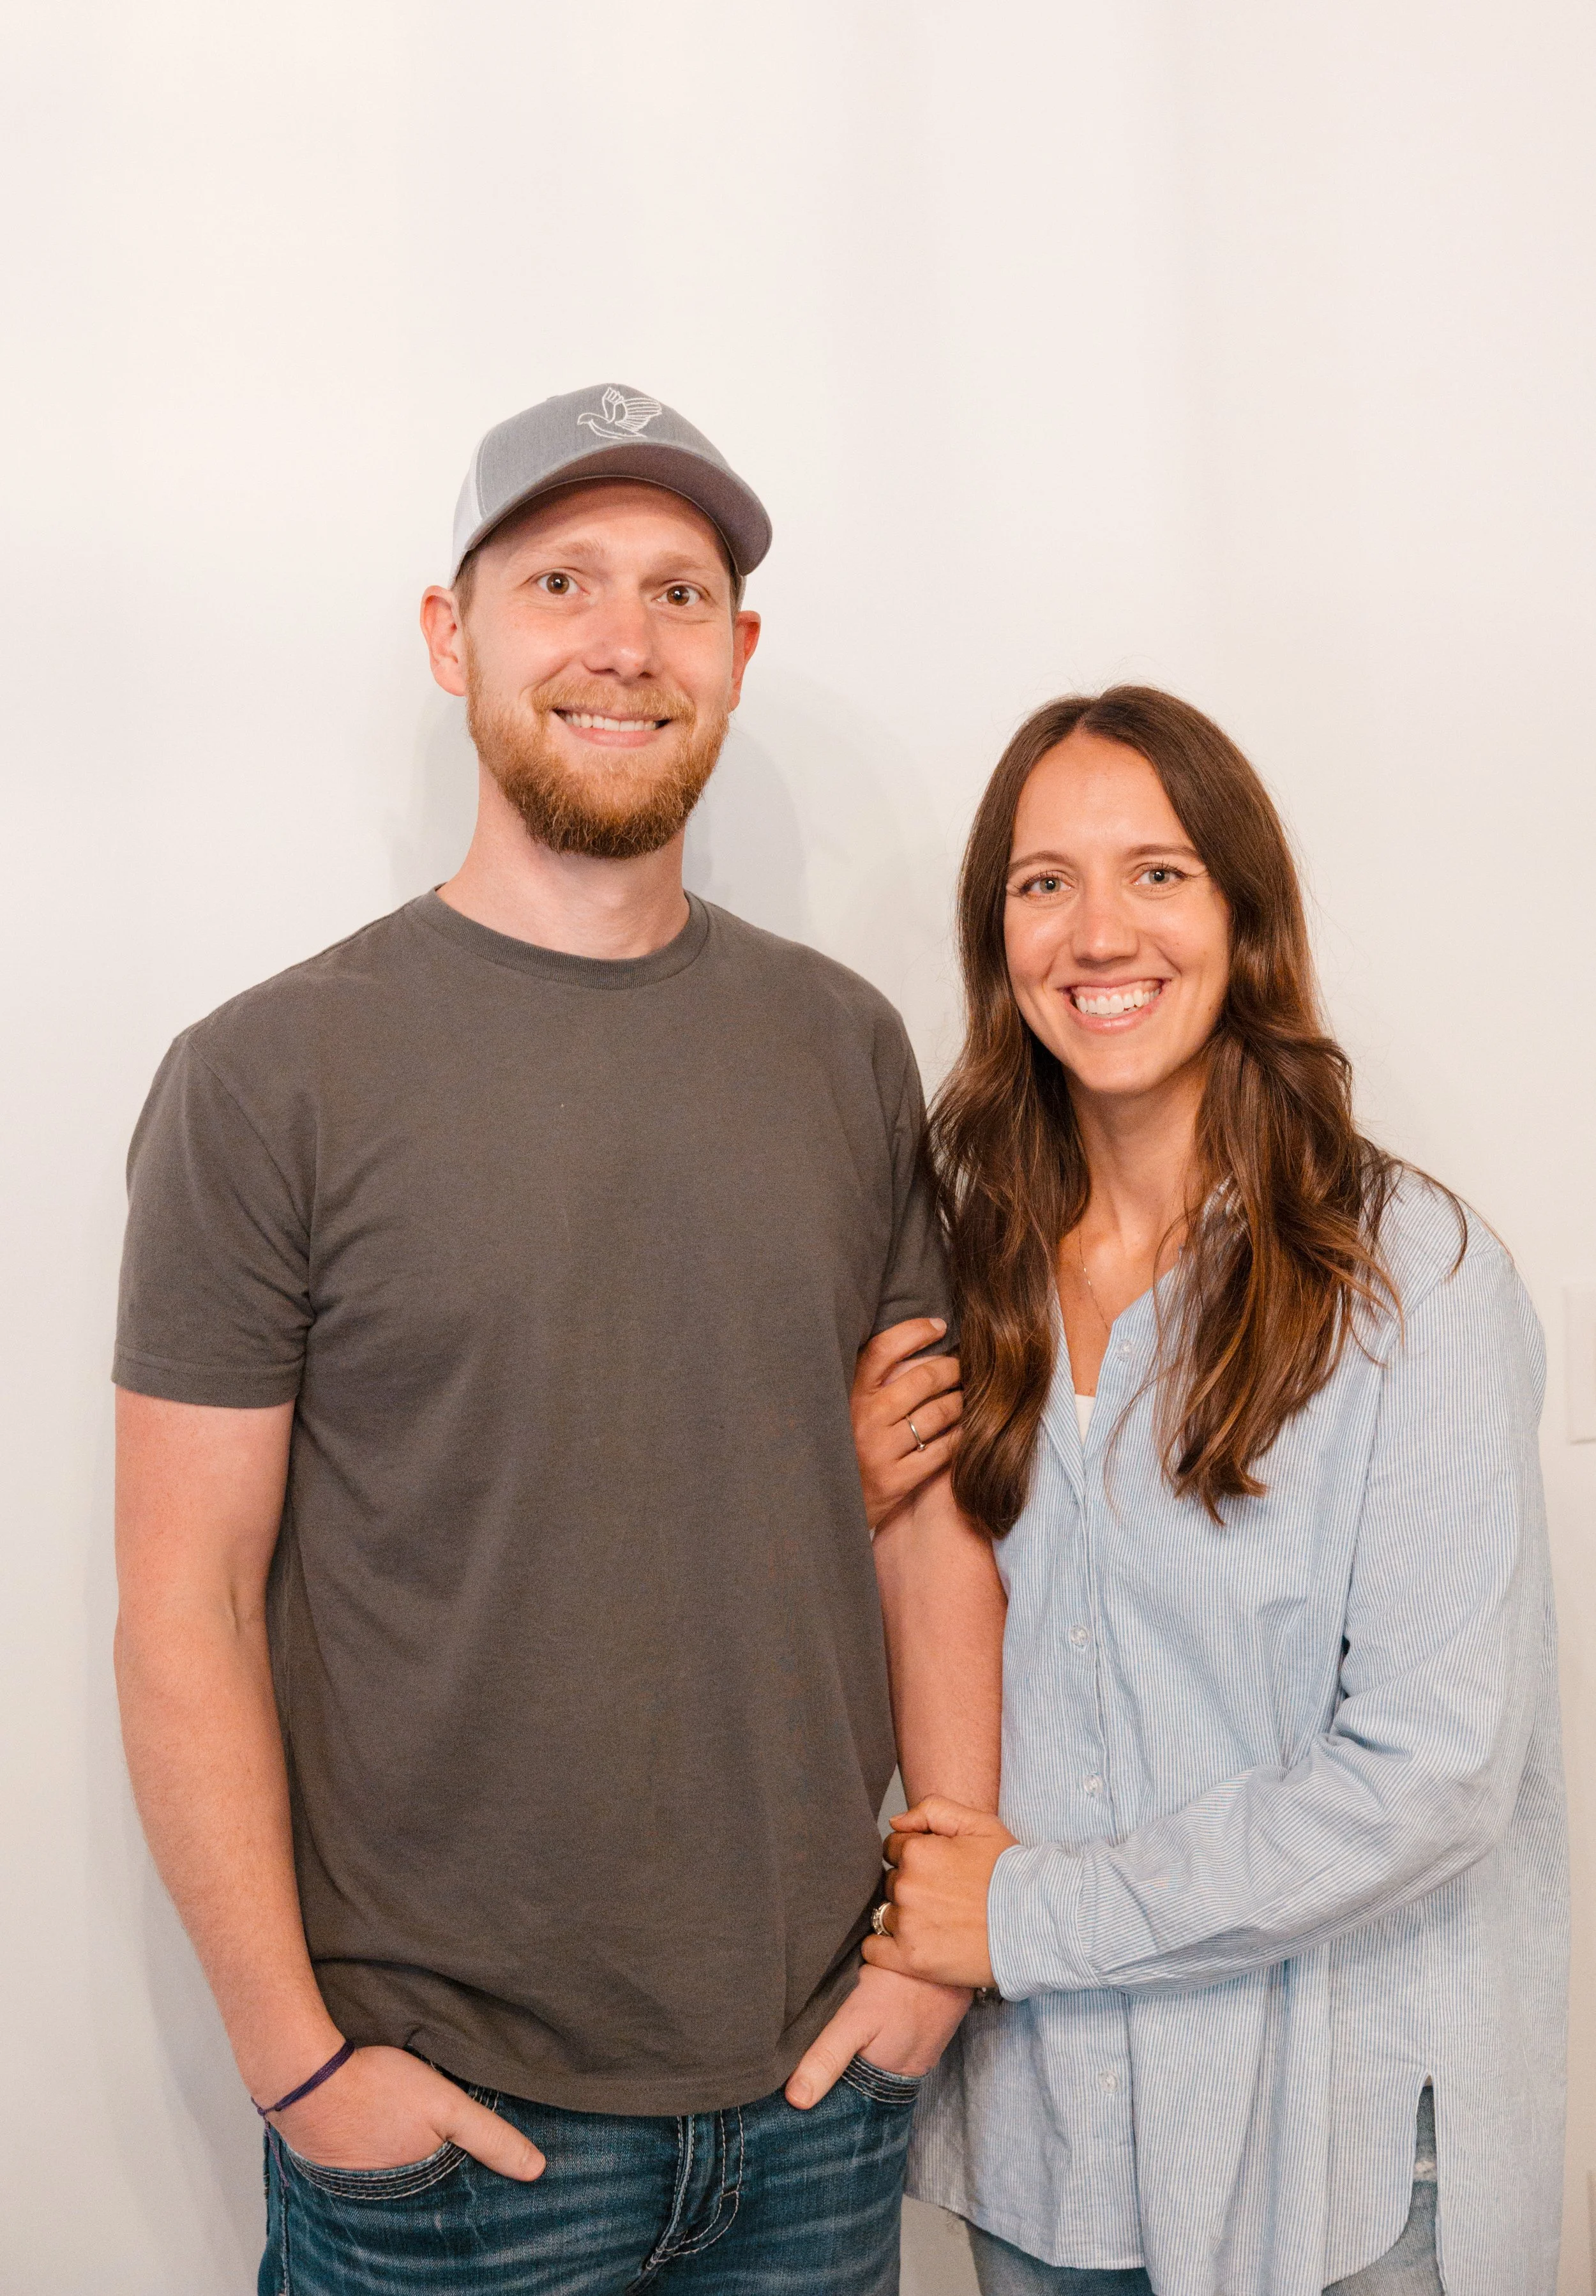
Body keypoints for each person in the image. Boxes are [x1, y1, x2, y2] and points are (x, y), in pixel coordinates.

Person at [112, 383, 1004, 2296]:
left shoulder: (842, 1047)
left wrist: (940, 1934)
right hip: (444, 2132)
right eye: (561, 582)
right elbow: (184, 1592)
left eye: (680, 595)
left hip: (805, 2104)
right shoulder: (268, 1079)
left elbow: (926, 1512)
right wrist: (296, 2059)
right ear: (454, 639)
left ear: (739, 658)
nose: (624, 640)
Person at [852, 688, 1567, 2296]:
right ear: (996, 937)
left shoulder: (1412, 1286)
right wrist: (842, 1499)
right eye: (1043, 883)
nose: (1096, 931)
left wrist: (1030, 1916)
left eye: (1156, 873)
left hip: (1337, 2163)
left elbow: (1432, 1772)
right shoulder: (961, 1283)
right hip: (1042, 2154)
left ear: (1243, 918)